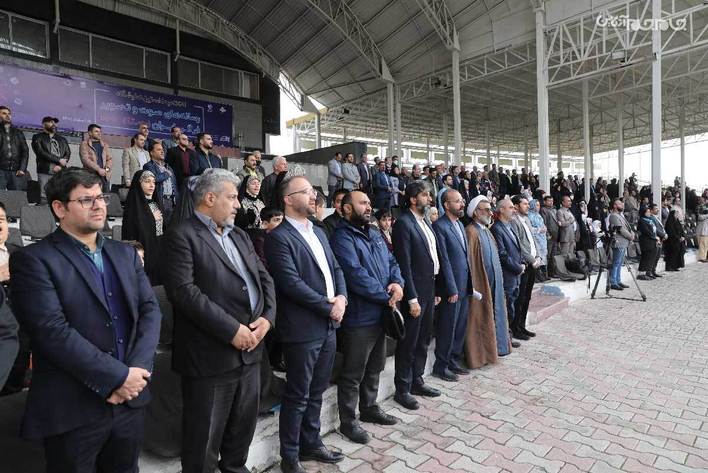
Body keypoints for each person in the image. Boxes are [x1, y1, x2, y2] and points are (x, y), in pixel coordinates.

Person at [9, 167, 161, 472]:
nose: (99, 205)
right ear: (59, 208)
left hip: (130, 402)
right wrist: (118, 377)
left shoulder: (125, 254)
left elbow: (150, 311)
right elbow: (52, 332)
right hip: (73, 407)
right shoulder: (34, 260)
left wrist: (138, 372)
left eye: (101, 197)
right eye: (86, 200)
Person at [162, 168, 276, 473]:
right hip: (210, 359)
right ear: (210, 198)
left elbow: (264, 279)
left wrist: (267, 318)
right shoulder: (181, 235)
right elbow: (184, 292)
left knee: (241, 435)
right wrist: (232, 330)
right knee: (203, 443)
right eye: (232, 197)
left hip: (251, 353)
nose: (238, 204)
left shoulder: (240, 235)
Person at [264, 176, 347, 473]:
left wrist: (342, 298)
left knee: (317, 390)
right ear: (288, 199)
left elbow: (336, 269)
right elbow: (291, 284)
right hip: (302, 328)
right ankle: (290, 456)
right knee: (298, 394)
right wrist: (329, 306)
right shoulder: (278, 237)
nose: (314, 197)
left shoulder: (319, 232)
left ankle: (311, 442)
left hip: (328, 325)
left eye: (314, 192)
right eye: (306, 192)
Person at [331, 190, 402, 445]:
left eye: (370, 203)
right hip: (359, 318)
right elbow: (355, 275)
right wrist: (386, 296)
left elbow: (392, 262)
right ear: (347, 208)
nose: (369, 207)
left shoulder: (374, 233)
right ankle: (348, 422)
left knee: (375, 366)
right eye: (363, 203)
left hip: (381, 313)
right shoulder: (341, 237)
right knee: (353, 373)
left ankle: (369, 407)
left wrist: (398, 283)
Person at [391, 180, 442, 411]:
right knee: (409, 342)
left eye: (429, 195)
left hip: (429, 288)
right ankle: (402, 389)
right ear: (413, 199)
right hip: (415, 290)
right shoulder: (404, 224)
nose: (429, 199)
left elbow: (432, 257)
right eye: (425, 195)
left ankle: (417, 380)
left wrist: (436, 290)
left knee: (423, 338)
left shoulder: (425, 222)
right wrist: (411, 298)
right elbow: (405, 264)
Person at [432, 190, 474, 381]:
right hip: (452, 288)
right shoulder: (440, 226)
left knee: (459, 326)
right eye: (457, 201)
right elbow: (444, 260)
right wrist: (451, 288)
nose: (462, 204)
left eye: (462, 200)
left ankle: (453, 361)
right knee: (447, 327)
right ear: (446, 205)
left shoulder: (459, 224)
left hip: (464, 285)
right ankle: (441, 366)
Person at [466, 196, 513, 364]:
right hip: (481, 284)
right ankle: (481, 355)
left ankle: (498, 348)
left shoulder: (486, 231)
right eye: (485, 210)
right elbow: (471, 262)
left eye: (490, 209)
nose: (490, 213)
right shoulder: (471, 232)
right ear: (475, 213)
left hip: (494, 284)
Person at [490, 198, 525, 344]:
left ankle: (507, 337)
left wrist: (522, 263)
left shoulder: (510, 225)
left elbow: (517, 248)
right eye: (510, 207)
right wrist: (518, 267)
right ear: (501, 210)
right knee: (505, 308)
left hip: (515, 275)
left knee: (511, 308)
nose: (514, 210)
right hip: (507, 275)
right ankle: (503, 340)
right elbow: (502, 254)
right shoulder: (497, 228)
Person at [122, 170, 164, 285]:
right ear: (139, 183)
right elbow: (133, 230)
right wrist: (151, 219)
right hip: (142, 251)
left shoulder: (154, 203)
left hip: (157, 249)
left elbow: (160, 228)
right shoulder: (134, 204)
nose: (151, 185)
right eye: (147, 181)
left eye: (153, 182)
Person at [510, 195, 541, 341]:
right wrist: (532, 260)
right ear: (516, 206)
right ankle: (515, 328)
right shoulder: (513, 221)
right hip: (525, 264)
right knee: (520, 297)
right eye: (524, 204)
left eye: (528, 204)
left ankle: (522, 326)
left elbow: (532, 240)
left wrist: (538, 256)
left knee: (527, 297)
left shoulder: (526, 219)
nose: (528, 206)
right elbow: (519, 245)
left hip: (533, 263)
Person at [31, 116, 70, 203]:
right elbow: (40, 152)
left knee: (60, 194)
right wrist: (59, 160)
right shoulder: (37, 137)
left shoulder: (62, 139)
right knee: (44, 195)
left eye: (54, 123)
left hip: (60, 170)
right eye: (51, 122)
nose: (54, 124)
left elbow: (67, 153)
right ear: (43, 125)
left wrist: (60, 165)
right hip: (45, 169)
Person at [143, 141, 178, 225]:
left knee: (171, 227)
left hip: (171, 201)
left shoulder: (168, 167)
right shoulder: (148, 166)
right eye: (159, 150)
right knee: (159, 227)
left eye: (162, 150)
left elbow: (175, 185)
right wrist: (166, 174)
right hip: (159, 201)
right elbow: (154, 179)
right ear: (151, 153)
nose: (162, 151)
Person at [607, 198, 635, 289]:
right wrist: (630, 236)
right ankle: (613, 281)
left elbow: (627, 227)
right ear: (614, 206)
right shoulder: (613, 216)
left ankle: (618, 280)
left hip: (624, 242)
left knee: (620, 262)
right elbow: (621, 229)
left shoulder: (620, 215)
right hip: (619, 241)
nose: (622, 205)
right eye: (619, 204)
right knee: (616, 262)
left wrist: (632, 233)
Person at [0, 105, 29, 191]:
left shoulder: (18, 132)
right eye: (4, 113)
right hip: (1, 171)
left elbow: (25, 151)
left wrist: (22, 168)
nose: (8, 116)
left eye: (9, 114)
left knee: (16, 197)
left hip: (16, 172)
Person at [79, 124, 112, 192]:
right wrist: (98, 169)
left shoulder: (105, 145)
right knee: (91, 195)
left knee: (105, 196)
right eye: (96, 131)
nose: (99, 133)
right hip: (90, 176)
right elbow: (85, 160)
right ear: (90, 133)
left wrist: (106, 170)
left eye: (100, 132)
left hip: (104, 177)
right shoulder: (84, 144)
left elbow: (109, 159)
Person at [528, 199, 549, 281]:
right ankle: (537, 276)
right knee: (537, 256)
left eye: (539, 205)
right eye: (536, 205)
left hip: (542, 238)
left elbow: (542, 225)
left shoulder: (538, 215)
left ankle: (543, 275)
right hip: (536, 239)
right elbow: (530, 229)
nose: (538, 207)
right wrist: (539, 230)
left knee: (543, 256)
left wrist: (544, 228)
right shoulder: (529, 216)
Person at [637, 205, 659, 280]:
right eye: (648, 212)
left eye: (649, 212)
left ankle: (648, 272)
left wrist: (656, 237)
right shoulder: (641, 221)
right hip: (646, 242)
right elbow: (646, 231)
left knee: (651, 258)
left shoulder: (649, 220)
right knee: (645, 258)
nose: (649, 213)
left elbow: (653, 230)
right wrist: (655, 237)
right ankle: (641, 274)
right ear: (644, 213)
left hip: (652, 241)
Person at [649, 203, 666, 277]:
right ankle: (650, 272)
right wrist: (663, 235)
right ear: (651, 210)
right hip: (656, 239)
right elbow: (655, 229)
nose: (658, 210)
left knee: (657, 256)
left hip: (661, 239)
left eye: (657, 208)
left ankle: (654, 271)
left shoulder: (657, 217)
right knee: (654, 257)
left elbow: (661, 227)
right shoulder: (651, 218)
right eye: (656, 209)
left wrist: (665, 233)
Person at [696, 197, 708, 262]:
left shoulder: (705, 208)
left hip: (706, 230)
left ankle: (704, 257)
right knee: (702, 245)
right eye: (701, 200)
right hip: (702, 230)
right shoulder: (699, 208)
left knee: (706, 245)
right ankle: (701, 258)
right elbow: (699, 217)